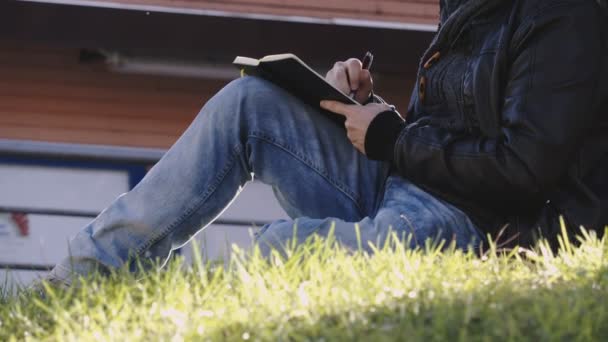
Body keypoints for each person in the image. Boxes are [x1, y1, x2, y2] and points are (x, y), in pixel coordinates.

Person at [48, 0, 607, 284]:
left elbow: (524, 169)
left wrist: (391, 138)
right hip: (412, 183)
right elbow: (457, 125)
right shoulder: (471, 8)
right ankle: (88, 275)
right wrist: (368, 112)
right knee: (250, 103)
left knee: (280, 250)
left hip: (479, 225)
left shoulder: (563, 16)